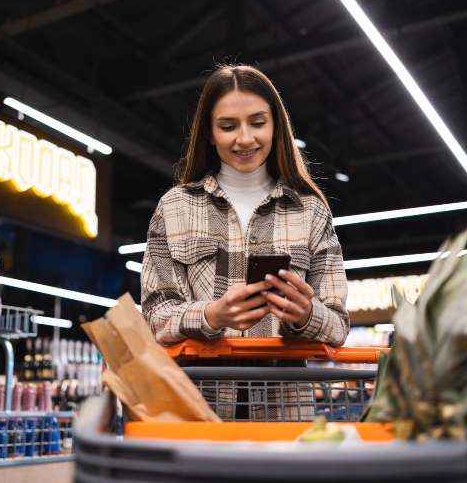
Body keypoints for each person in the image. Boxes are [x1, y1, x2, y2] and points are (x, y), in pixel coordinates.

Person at [141, 64, 350, 350]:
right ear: (210, 134)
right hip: (201, 392)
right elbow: (154, 317)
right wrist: (211, 315)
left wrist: (306, 315)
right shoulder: (175, 207)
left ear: (275, 125)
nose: (245, 138)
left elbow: (338, 326)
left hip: (283, 392)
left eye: (258, 122)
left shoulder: (310, 211)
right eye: (228, 126)